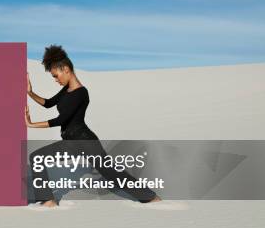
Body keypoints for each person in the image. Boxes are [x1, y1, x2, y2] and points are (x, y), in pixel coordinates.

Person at [25, 44, 162, 207]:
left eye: (56, 75)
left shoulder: (81, 93)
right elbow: (48, 103)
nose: (56, 80)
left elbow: (61, 120)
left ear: (66, 69)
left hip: (85, 142)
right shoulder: (65, 90)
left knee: (111, 173)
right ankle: (48, 200)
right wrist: (30, 92)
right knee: (37, 157)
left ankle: (151, 197)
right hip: (70, 142)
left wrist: (31, 125)